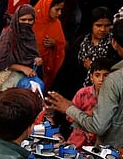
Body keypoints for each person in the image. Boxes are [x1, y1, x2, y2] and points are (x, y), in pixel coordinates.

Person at [47, 19, 123, 148]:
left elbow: (99, 126)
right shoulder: (85, 92)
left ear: (114, 43)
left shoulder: (114, 79)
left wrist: (69, 109)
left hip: (112, 154)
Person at [67, 58, 114, 149]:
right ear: (91, 77)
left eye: (106, 75)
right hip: (78, 141)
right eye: (97, 75)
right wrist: (87, 114)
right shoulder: (82, 93)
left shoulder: (113, 97)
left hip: (101, 144)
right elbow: (69, 116)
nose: (101, 79)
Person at [0, 4, 42, 79]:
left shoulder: (30, 34)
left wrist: (36, 60)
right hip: (7, 78)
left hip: (26, 76)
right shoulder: (9, 34)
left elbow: (30, 54)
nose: (27, 23)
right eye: (23, 20)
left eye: (30, 20)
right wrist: (22, 68)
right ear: (16, 19)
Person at [77, 7, 119, 86]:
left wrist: (92, 66)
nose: (103, 29)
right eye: (98, 25)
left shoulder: (114, 44)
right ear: (91, 25)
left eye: (107, 26)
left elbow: (116, 68)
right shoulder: (81, 41)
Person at [34, 0, 66, 90]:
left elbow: (61, 45)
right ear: (47, 7)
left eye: (61, 10)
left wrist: (54, 44)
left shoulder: (56, 24)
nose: (60, 13)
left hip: (47, 67)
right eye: (57, 9)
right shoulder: (32, 21)